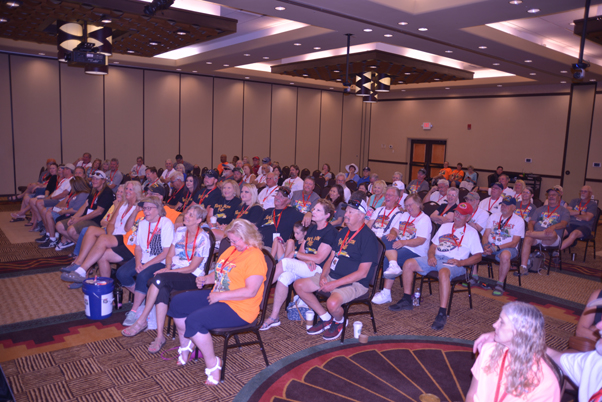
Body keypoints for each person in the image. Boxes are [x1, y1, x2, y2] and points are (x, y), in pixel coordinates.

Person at [167, 219, 267, 385]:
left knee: (194, 320)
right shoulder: (232, 250)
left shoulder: (255, 257)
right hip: (220, 296)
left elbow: (250, 291)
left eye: (235, 240)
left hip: (241, 308)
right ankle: (187, 346)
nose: (232, 244)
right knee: (178, 302)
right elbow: (221, 272)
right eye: (230, 240)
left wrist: (220, 296)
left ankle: (213, 364)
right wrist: (206, 278)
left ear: (247, 237)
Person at [121, 204, 212, 354]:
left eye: (191, 215)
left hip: (192, 276)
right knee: (161, 287)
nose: (186, 216)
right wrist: (168, 267)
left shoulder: (203, 239)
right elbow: (169, 254)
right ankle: (159, 336)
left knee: (158, 279)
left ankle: (142, 320)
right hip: (173, 271)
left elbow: (191, 268)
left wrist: (168, 271)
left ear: (199, 220)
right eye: (187, 213)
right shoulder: (180, 231)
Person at [294, 194, 379, 341]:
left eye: (350, 212)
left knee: (332, 303)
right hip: (333, 276)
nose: (346, 215)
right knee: (299, 285)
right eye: (346, 211)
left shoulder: (368, 238)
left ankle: (340, 321)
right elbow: (331, 258)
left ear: (361, 216)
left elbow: (362, 273)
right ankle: (326, 318)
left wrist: (334, 284)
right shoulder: (343, 232)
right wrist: (323, 276)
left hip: (355, 283)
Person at [391, 202, 483, 330]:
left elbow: (478, 257)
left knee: (443, 273)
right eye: (456, 213)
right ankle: (407, 300)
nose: (457, 216)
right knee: (408, 263)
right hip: (436, 259)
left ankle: (442, 312)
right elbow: (433, 246)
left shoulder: (472, 233)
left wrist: (461, 262)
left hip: (455, 263)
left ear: (468, 218)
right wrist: (431, 256)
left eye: (461, 215)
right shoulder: (445, 226)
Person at [261, 199, 338, 330]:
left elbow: (319, 258)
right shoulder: (312, 228)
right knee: (284, 277)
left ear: (327, 215)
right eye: (314, 209)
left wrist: (296, 254)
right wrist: (305, 258)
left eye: (318, 210)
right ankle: (274, 317)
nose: (313, 212)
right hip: (307, 265)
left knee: (285, 262)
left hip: (319, 270)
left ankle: (259, 290)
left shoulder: (330, 232)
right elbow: (302, 252)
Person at [467, 302, 561, 402]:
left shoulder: (545, 382)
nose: (494, 325)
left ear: (519, 331)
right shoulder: (489, 351)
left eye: (502, 322)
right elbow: (471, 395)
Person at [60, 181, 142, 283]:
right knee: (91, 229)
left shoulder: (139, 208)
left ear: (137, 192)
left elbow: (128, 229)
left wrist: (109, 238)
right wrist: (110, 235)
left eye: (130, 189)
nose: (127, 191)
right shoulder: (122, 203)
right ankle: (78, 263)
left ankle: (82, 271)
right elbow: (111, 222)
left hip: (124, 237)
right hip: (114, 234)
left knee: (99, 241)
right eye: (126, 188)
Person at [116, 196, 175, 326]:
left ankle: (134, 310)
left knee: (142, 276)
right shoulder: (142, 223)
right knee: (121, 273)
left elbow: (165, 252)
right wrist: (138, 262)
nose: (145, 211)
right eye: (144, 208)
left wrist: (146, 265)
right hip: (143, 257)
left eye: (149, 208)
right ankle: (145, 297)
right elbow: (138, 248)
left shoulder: (166, 223)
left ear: (158, 209)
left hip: (160, 260)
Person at [372, 194, 432, 305]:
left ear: (418, 204)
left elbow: (421, 240)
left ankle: (386, 293)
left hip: (415, 250)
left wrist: (403, 242)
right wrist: (393, 234)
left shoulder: (425, 219)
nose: (408, 208)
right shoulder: (404, 215)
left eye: (410, 205)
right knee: (385, 238)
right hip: (400, 245)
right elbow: (394, 229)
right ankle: (393, 264)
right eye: (406, 206)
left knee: (387, 258)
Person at [473, 196, 524, 296]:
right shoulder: (494, 216)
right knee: (474, 248)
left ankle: (500, 284)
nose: (503, 207)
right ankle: (474, 276)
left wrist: (496, 248)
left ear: (514, 207)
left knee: (505, 256)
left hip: (508, 248)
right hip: (491, 245)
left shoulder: (519, 221)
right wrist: (485, 245)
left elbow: (514, 243)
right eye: (502, 205)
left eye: (507, 205)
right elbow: (485, 235)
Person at [55, 171, 114, 251]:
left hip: (97, 221)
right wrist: (74, 217)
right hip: (87, 218)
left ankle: (86, 250)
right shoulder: (94, 190)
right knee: (59, 225)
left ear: (103, 181)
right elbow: (85, 206)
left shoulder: (106, 192)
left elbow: (99, 212)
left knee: (71, 230)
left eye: (97, 179)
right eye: (93, 178)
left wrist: (79, 219)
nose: (94, 181)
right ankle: (83, 247)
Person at [518, 188, 569, 275]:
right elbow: (531, 222)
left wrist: (553, 226)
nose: (551, 196)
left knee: (551, 233)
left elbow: (564, 224)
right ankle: (523, 267)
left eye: (554, 195)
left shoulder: (564, 210)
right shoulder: (540, 209)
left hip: (552, 239)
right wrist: (531, 229)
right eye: (549, 195)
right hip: (537, 237)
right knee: (527, 239)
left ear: (559, 197)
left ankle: (530, 234)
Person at [38, 176, 91, 249]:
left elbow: (76, 210)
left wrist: (63, 211)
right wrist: (57, 208)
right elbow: (68, 204)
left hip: (73, 214)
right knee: (48, 211)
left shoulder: (82, 194)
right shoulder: (75, 192)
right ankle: (50, 235)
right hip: (67, 211)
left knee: (49, 213)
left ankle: (54, 239)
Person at [258, 186, 304, 260]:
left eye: (282, 197)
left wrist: (309, 213)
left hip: (274, 250)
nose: (277, 197)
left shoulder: (292, 213)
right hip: (258, 246)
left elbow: (309, 220)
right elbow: (255, 228)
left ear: (288, 201)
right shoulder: (267, 211)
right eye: (277, 194)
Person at [560, 185, 597, 251]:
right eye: (581, 191)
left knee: (574, 234)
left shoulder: (592, 204)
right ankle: (553, 248)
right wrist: (581, 213)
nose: (582, 193)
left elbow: (587, 218)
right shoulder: (575, 201)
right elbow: (567, 211)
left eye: (585, 191)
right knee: (562, 232)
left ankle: (556, 250)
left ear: (590, 193)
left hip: (584, 226)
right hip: (571, 224)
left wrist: (574, 213)